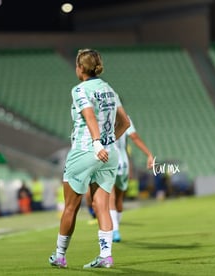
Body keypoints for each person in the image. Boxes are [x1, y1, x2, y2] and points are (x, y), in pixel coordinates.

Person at [49, 48, 130, 269]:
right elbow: (125, 122)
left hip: (86, 151)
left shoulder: (79, 90)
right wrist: (108, 141)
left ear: (81, 68)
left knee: (70, 207)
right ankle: (105, 255)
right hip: (110, 154)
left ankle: (59, 255)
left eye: (77, 65)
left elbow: (89, 115)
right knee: (102, 206)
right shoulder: (109, 89)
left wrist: (96, 143)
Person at [110, 117, 154, 242]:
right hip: (123, 162)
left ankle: (115, 230)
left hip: (108, 159)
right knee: (118, 197)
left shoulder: (101, 114)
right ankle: (115, 229)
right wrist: (148, 154)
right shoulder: (125, 118)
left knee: (110, 196)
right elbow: (134, 136)